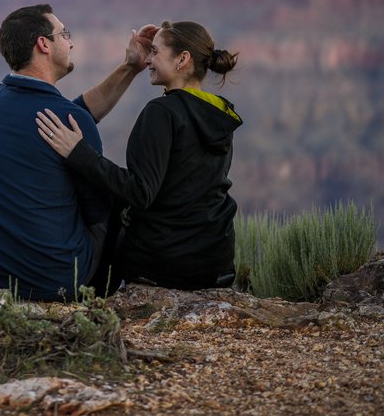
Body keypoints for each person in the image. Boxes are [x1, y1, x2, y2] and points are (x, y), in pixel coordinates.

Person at [0, 3, 157, 301]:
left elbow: (75, 114)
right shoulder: (69, 119)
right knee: (125, 198)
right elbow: (96, 210)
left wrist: (130, 67)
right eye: (64, 34)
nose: (72, 41)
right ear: (44, 44)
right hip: (54, 280)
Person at [36, 20, 241, 290]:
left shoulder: (162, 112)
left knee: (99, 207)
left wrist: (78, 153)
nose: (148, 61)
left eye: (155, 52)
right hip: (214, 262)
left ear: (182, 59)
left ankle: (76, 298)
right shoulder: (219, 113)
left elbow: (139, 192)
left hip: (166, 264)